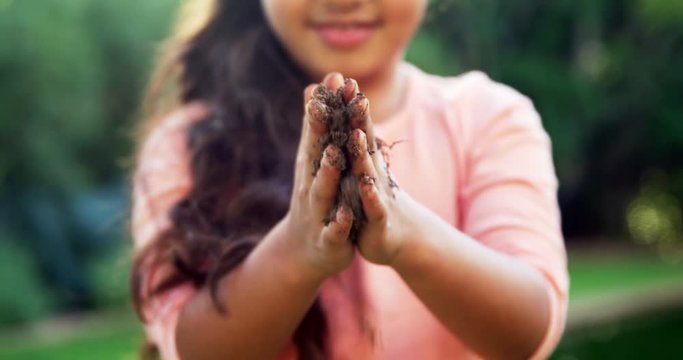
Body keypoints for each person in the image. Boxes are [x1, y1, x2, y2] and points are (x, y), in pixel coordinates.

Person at [130, 0, 568, 359]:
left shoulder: (489, 119)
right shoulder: (187, 143)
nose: (343, 2)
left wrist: (405, 233)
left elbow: (526, 329)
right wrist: (298, 250)